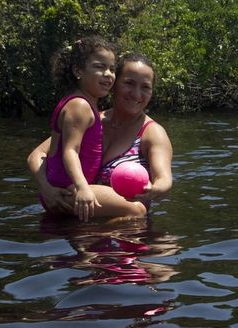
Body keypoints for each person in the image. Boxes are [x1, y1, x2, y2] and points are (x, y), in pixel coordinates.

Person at [28, 52, 173, 219]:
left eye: (145, 87)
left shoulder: (153, 132)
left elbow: (164, 180)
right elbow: (37, 155)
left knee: (141, 217)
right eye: (129, 83)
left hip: (126, 226)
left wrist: (154, 189)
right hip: (71, 206)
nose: (136, 93)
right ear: (114, 84)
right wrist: (46, 189)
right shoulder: (90, 119)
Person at [43, 35, 117, 222]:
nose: (108, 74)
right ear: (78, 71)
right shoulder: (80, 106)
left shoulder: (78, 102)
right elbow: (70, 150)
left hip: (65, 189)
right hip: (71, 189)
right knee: (137, 211)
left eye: (112, 69)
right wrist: (83, 187)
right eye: (99, 67)